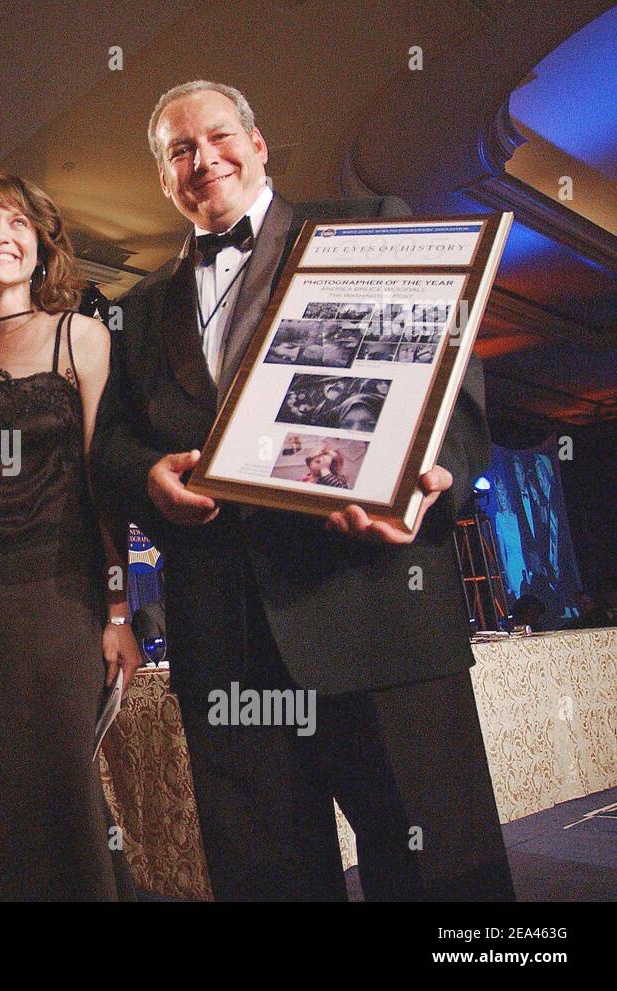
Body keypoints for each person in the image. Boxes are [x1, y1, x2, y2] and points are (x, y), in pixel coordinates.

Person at [91, 80, 514, 901]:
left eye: (217, 137)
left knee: (441, 877)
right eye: (179, 150)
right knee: (268, 882)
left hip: (375, 608)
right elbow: (109, 446)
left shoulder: (367, 229)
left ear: (257, 144)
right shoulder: (136, 309)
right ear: (163, 177)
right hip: (228, 640)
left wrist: (436, 473)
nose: (201, 159)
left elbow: (451, 390)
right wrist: (145, 475)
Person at [0, 172, 139, 901]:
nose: (0, 236)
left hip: (58, 598)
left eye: (18, 224)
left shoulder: (82, 336)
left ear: (42, 246)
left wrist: (117, 611)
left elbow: (104, 484)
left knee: (63, 782)